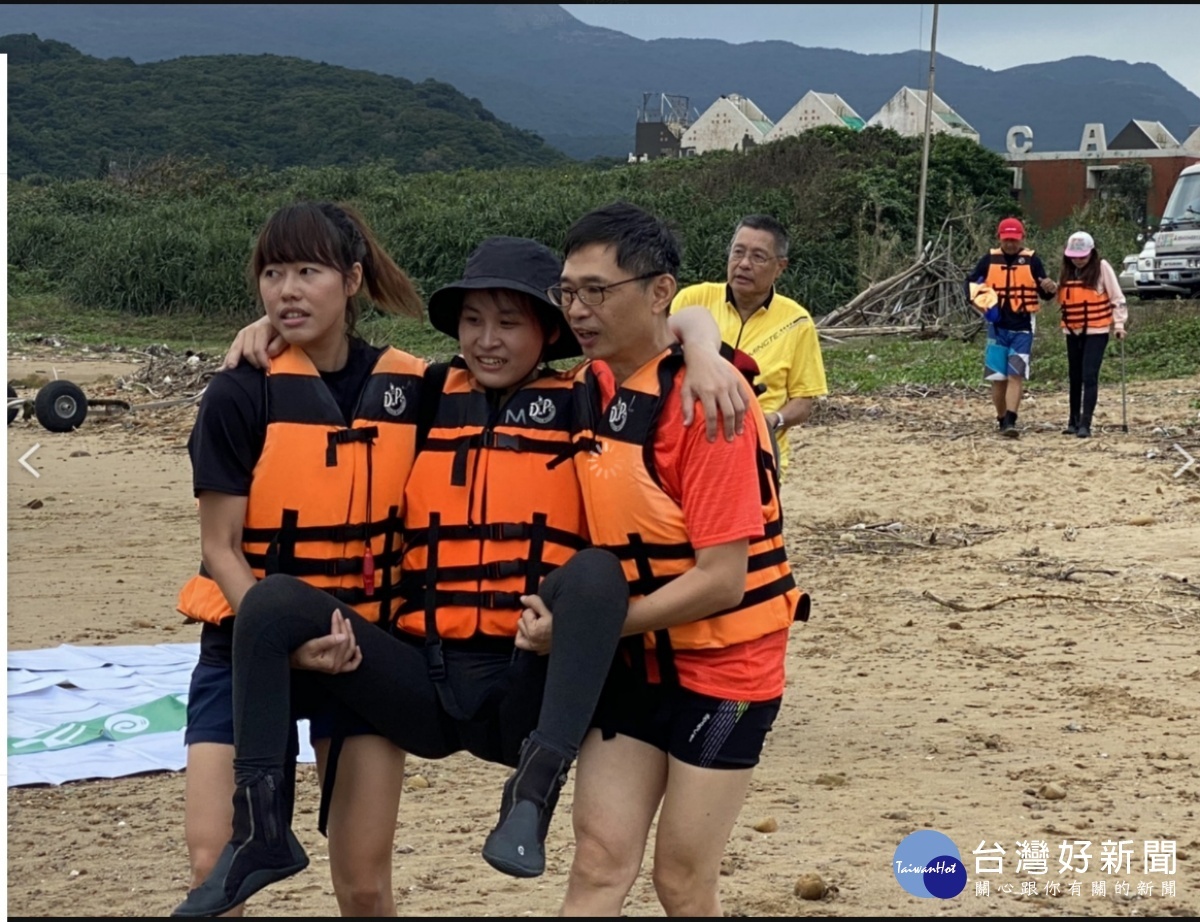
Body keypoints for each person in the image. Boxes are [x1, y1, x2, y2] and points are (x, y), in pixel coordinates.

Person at [171, 234, 749, 917]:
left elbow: (670, 324)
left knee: (594, 572)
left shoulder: (585, 398)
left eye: (509, 322)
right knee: (269, 604)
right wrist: (275, 322)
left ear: (548, 332)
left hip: (523, 687)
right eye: (473, 321)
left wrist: (706, 348)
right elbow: (343, 369)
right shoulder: (424, 393)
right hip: (427, 682)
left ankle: (531, 798)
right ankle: (263, 830)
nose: (487, 341)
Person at [542, 202, 809, 917]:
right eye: (567, 291)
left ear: (659, 291)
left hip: (724, 671)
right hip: (633, 662)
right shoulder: (586, 387)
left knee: (682, 878)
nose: (578, 309)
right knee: (598, 861)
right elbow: (478, 350)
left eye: (597, 291)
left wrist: (588, 629)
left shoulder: (708, 404)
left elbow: (723, 581)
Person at [175, 201, 426, 917]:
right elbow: (220, 548)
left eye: (307, 271)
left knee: (365, 880)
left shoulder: (411, 389)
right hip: (245, 647)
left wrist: (689, 329)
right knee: (210, 865)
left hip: (359, 650)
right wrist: (279, 639)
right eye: (272, 272)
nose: (286, 289)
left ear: (351, 280)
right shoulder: (237, 394)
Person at [670, 213, 828, 476]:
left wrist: (772, 421)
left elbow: (803, 400)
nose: (743, 264)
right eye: (738, 252)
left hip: (758, 454)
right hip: (689, 446)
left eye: (758, 256)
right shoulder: (692, 300)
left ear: (780, 267)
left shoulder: (797, 322)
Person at [965, 216, 1058, 438]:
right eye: (1006, 239)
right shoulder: (989, 260)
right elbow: (969, 285)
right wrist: (984, 305)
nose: (1010, 244)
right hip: (997, 327)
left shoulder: (1033, 261)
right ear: (999, 238)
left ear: (1021, 238)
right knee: (998, 377)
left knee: (1015, 374)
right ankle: (1000, 419)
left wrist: (1049, 287)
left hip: (1022, 327)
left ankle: (1010, 420)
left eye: (1014, 240)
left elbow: (1045, 293)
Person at [1055, 230, 1128, 438]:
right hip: (1072, 330)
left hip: (1097, 330)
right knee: (1074, 376)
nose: (1078, 261)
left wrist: (1119, 324)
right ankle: (1073, 420)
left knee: (1089, 375)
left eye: (1083, 256)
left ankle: (1086, 423)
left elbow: (1117, 297)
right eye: (1074, 257)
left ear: (1091, 253)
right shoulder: (1067, 272)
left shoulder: (1102, 268)